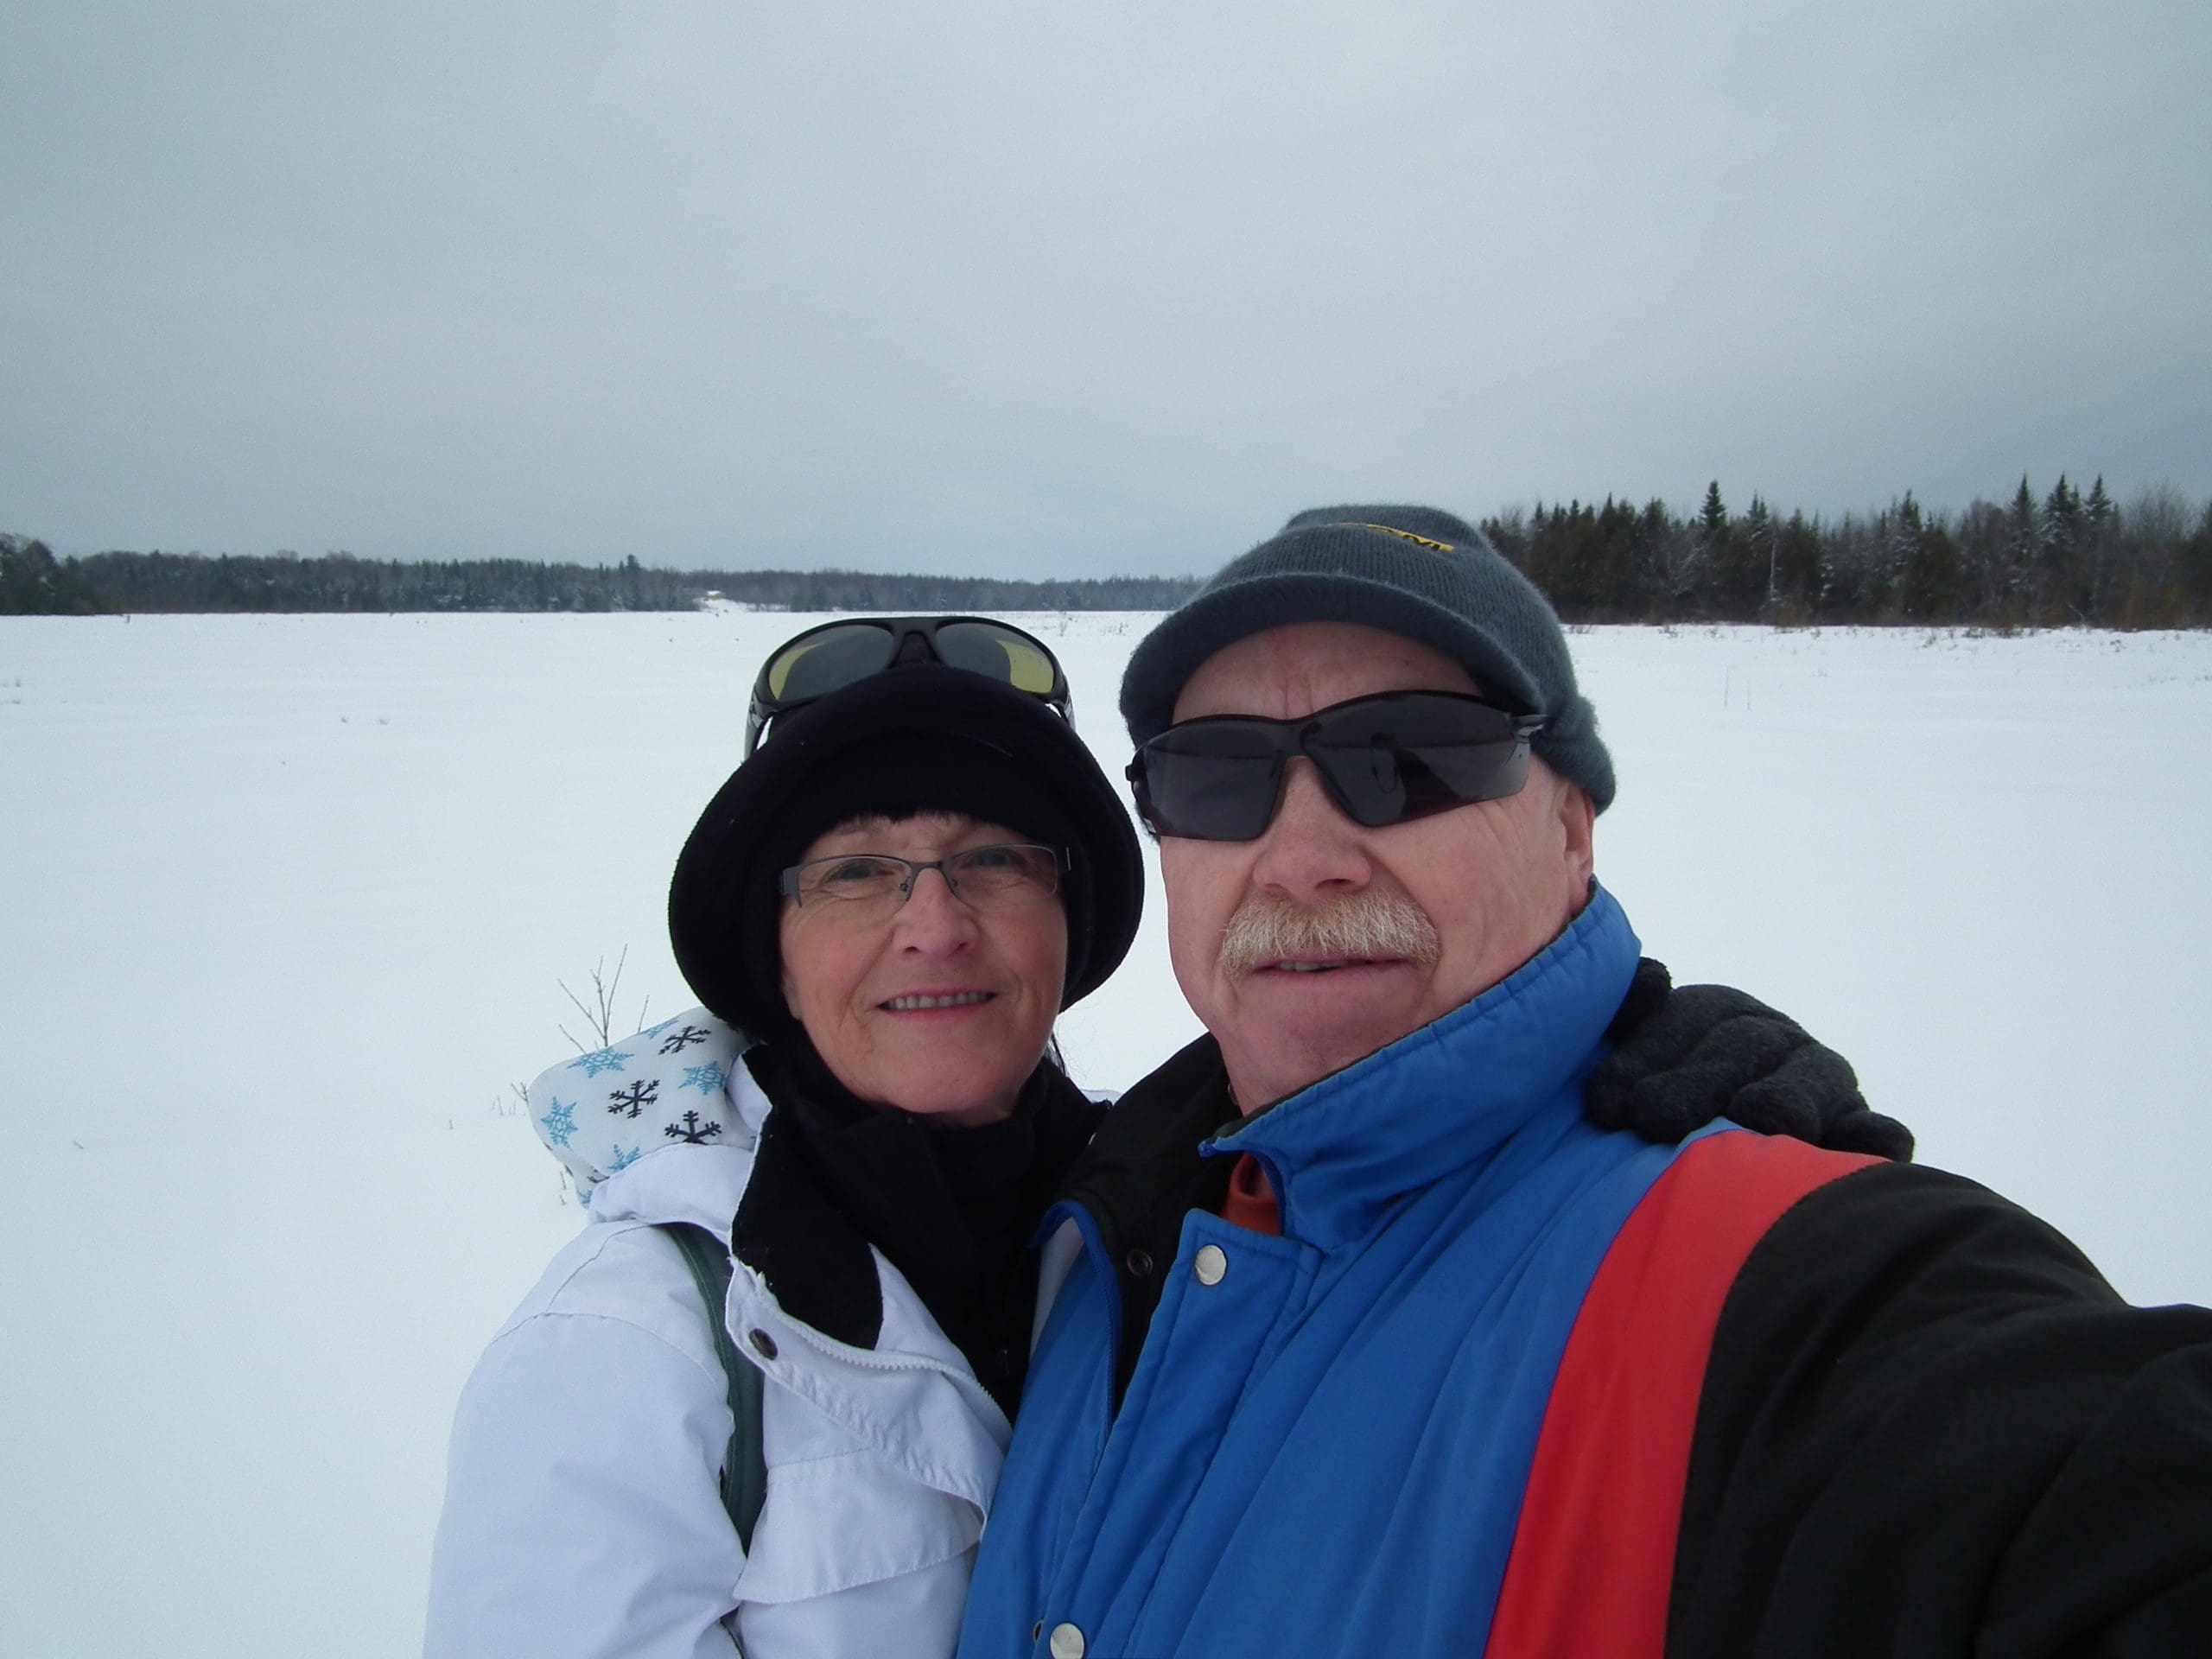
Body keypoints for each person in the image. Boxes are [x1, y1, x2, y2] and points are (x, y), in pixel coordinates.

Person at [425, 612, 1905, 1659]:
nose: (932, 927)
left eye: (992, 862)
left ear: (1070, 922)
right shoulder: (630, 1356)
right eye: (859, 873)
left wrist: (1576, 1078)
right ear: (774, 944)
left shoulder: (1167, 1216)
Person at [959, 508, 2212, 1659]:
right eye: (1218, 775)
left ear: (1570, 830)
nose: (1299, 859)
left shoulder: (1792, 1293)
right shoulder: (1099, 1237)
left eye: (1403, 756)